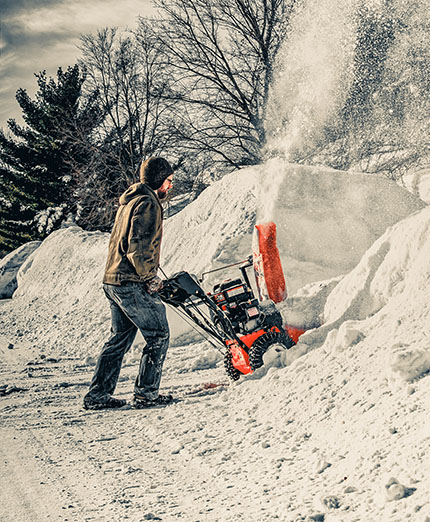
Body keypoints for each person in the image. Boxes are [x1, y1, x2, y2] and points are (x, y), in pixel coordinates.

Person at [83, 157, 174, 410]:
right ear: (158, 180)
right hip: (130, 281)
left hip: (113, 279)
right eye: (168, 180)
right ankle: (146, 394)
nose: (170, 185)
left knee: (119, 339)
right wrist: (149, 277)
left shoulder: (130, 201)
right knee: (158, 334)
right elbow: (138, 245)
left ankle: (97, 396)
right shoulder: (147, 203)